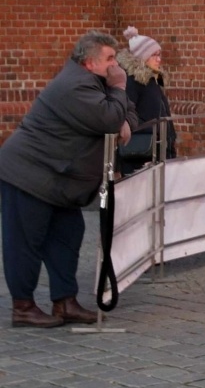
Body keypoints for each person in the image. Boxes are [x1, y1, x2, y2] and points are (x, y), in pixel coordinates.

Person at [0, 32, 133, 327]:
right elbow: (111, 119)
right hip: (29, 174)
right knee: (25, 242)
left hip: (59, 180)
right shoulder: (75, 86)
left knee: (68, 236)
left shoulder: (97, 84)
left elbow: (125, 114)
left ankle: (65, 301)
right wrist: (120, 90)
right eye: (109, 59)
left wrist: (121, 113)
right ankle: (22, 306)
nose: (115, 66)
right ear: (89, 62)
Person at [117, 26, 176, 166]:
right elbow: (127, 115)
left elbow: (162, 112)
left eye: (159, 54)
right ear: (142, 58)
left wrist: (170, 139)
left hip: (161, 148)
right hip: (141, 152)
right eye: (154, 55)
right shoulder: (133, 81)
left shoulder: (153, 80)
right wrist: (153, 130)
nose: (159, 59)